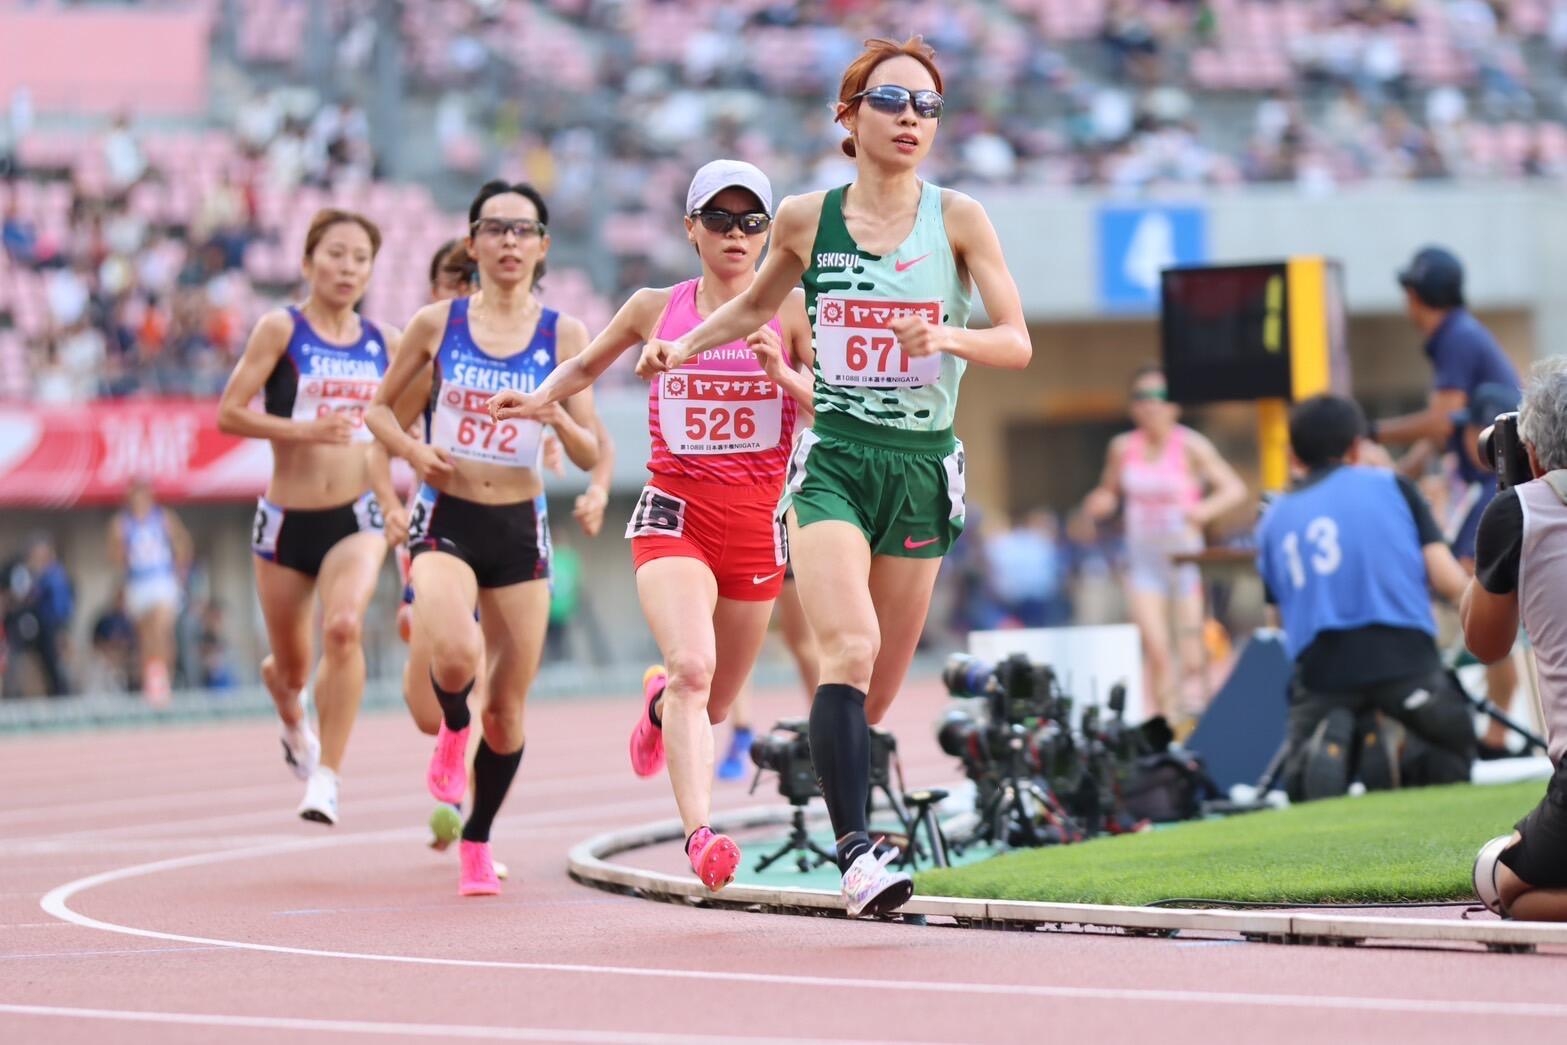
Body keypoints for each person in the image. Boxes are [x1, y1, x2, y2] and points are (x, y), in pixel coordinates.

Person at [630, 37, 1033, 917]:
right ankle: (856, 855)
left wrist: (949, 338)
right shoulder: (808, 218)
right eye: (892, 101)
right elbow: (746, 304)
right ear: (848, 116)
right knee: (842, 650)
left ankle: (826, 765)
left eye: (928, 107)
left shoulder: (959, 218)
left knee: (878, 688)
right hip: (835, 460)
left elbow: (1016, 339)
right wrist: (681, 344)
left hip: (923, 467)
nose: (911, 121)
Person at [490, 159, 814, 891]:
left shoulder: (790, 310)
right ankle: (701, 836)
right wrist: (536, 398)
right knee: (694, 670)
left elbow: (831, 413)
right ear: (690, 228)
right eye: (721, 220)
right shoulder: (652, 307)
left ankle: (656, 707)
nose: (737, 234)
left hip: (758, 524)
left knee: (718, 699)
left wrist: (784, 376)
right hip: (676, 512)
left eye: (753, 221)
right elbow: (583, 367)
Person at [367, 180, 601, 897]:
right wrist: (413, 454)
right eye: (494, 229)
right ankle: (450, 727)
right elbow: (379, 413)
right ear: (472, 243)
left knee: (508, 709)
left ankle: (476, 837)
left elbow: (591, 451)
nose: (508, 242)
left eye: (522, 230)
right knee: (455, 649)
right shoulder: (438, 324)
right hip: (448, 514)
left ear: (542, 246)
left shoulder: (563, 335)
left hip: (520, 527)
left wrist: (553, 416)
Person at [217, 208, 402, 825]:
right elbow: (229, 413)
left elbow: (424, 407)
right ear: (307, 262)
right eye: (336, 253)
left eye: (360, 258)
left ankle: (327, 777)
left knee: (345, 627)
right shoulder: (281, 329)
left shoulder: (386, 343)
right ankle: (291, 714)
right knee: (292, 669)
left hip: (356, 515)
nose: (348, 267)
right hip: (286, 520)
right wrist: (304, 428)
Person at [1256, 395, 1475, 799]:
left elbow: (1278, 623)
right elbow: (1447, 580)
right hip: (1404, 660)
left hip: (1323, 671)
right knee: (1451, 741)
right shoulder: (1391, 485)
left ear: (1294, 455)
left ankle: (1334, 741)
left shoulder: (1274, 519)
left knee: (1306, 771)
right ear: (1357, 446)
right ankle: (1400, 739)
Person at [1369, 246, 1522, 754]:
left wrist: (1369, 431)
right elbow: (1442, 433)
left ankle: (1492, 721)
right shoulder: (1460, 334)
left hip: (1493, 481)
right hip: (1489, 479)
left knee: (1475, 592)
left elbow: (1439, 421)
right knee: (1475, 594)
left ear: (1415, 296)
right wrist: (1399, 474)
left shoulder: (1454, 335)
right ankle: (1496, 724)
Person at [1077, 365, 1248, 728]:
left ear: (1175, 406)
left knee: (1190, 655)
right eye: (1142, 397)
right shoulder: (1123, 447)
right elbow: (1110, 491)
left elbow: (1234, 488)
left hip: (1184, 560)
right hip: (1143, 563)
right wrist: (1101, 502)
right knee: (1156, 650)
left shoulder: (1190, 445)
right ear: (1132, 406)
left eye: (1159, 398)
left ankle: (1197, 708)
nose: (1151, 406)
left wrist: (1202, 510)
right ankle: (1168, 725)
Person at [1463, 359, 1567, 920]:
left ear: (1533, 452)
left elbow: (1485, 643)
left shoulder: (1518, 512)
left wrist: (1502, 508)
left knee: (1498, 880)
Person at [106, 477, 192, 706]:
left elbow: (182, 542)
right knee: (146, 635)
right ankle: (153, 677)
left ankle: (165, 676)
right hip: (138, 582)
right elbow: (115, 558)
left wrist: (180, 569)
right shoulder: (122, 524)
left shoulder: (163, 518)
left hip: (161, 579)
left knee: (161, 627)